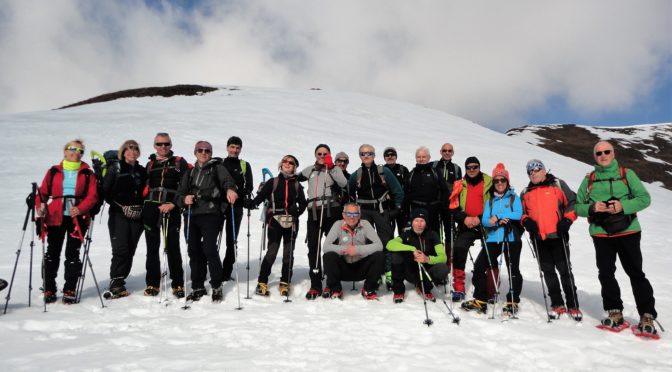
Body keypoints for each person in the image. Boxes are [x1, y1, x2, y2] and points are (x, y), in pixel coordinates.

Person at [575, 141, 658, 336]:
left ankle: (647, 315)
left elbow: (644, 198)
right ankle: (615, 313)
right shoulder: (589, 179)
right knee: (605, 273)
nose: (603, 155)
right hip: (600, 233)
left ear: (613, 153)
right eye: (598, 153)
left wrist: (623, 206)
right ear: (594, 156)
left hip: (628, 230)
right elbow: (578, 206)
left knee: (635, 273)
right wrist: (592, 208)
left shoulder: (626, 174)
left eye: (606, 152)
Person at [36, 139, 98, 304]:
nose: (75, 152)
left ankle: (70, 288)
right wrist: (40, 205)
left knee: (73, 254)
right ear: (65, 151)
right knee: (52, 253)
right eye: (72, 149)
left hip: (77, 218)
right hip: (55, 216)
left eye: (80, 150)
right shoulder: (54, 171)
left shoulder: (87, 173)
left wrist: (81, 208)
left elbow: (92, 196)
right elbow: (42, 192)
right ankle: (49, 287)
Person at [521, 159, 581, 320]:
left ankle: (573, 305)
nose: (533, 173)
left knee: (564, 270)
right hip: (539, 238)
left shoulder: (557, 185)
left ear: (544, 170)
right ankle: (557, 303)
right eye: (529, 171)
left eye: (536, 169)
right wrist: (526, 220)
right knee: (548, 271)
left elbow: (573, 203)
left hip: (558, 235)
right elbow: (521, 212)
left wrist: (567, 220)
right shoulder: (526, 192)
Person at [177, 141, 238, 302]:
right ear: (195, 152)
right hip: (191, 214)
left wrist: (231, 189)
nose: (204, 153)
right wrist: (184, 199)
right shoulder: (189, 173)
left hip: (211, 214)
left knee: (209, 249)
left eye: (207, 151)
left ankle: (216, 285)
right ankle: (197, 285)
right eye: (200, 150)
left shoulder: (217, 167)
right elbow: (179, 195)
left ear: (211, 153)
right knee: (193, 250)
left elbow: (227, 181)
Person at [461, 164, 523, 315]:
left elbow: (518, 214)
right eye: (496, 181)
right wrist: (494, 221)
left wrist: (502, 217)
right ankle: (480, 300)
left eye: (502, 180)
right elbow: (485, 221)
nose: (500, 183)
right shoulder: (490, 200)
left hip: (511, 237)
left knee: (513, 269)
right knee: (479, 266)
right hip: (493, 238)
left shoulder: (514, 197)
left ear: (507, 182)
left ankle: (512, 301)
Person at [244, 155, 307, 297]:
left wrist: (297, 212)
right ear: (281, 164)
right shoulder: (273, 182)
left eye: (291, 163)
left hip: (291, 221)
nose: (287, 164)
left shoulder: (297, 185)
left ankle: (285, 282)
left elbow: (302, 203)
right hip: (274, 221)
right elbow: (260, 197)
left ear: (294, 167)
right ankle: (262, 282)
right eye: (285, 161)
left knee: (288, 253)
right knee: (272, 252)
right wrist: (251, 204)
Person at [348, 144, 404, 289]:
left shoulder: (383, 171)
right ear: (360, 156)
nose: (366, 156)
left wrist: (397, 207)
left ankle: (389, 271)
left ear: (374, 155)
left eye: (369, 153)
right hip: (364, 212)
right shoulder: (357, 174)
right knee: (369, 242)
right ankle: (375, 273)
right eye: (363, 154)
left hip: (381, 210)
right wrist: (353, 209)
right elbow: (350, 192)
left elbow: (397, 190)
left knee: (386, 241)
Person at [298, 144, 348, 299]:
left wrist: (332, 166)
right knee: (313, 246)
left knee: (332, 246)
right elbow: (296, 178)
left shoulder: (334, 169)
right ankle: (315, 284)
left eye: (325, 153)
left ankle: (333, 284)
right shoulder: (310, 169)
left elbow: (343, 183)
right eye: (319, 153)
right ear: (315, 154)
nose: (322, 155)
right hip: (313, 211)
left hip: (331, 210)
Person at [142, 132, 187, 298]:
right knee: (152, 249)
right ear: (155, 145)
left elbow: (185, 186)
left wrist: (174, 204)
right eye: (160, 144)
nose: (163, 147)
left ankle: (177, 284)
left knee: (173, 247)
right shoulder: (150, 164)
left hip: (171, 208)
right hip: (151, 209)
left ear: (171, 145)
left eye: (166, 144)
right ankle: (152, 284)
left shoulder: (179, 163)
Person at [102, 140, 147, 299]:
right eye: (128, 149)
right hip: (118, 214)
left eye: (135, 149)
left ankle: (121, 278)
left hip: (137, 215)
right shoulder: (115, 168)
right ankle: (116, 282)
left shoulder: (142, 170)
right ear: (123, 152)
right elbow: (105, 192)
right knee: (120, 248)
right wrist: (121, 206)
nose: (132, 152)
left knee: (130, 249)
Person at [448, 156, 492, 302]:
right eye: (469, 167)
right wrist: (464, 218)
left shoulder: (489, 183)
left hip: (485, 224)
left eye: (475, 167)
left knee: (491, 251)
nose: (472, 170)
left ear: (479, 167)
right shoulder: (459, 184)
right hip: (466, 224)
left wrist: (480, 217)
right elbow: (453, 206)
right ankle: (459, 287)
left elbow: (495, 203)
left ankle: (490, 285)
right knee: (459, 249)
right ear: (465, 168)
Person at [322, 203, 385, 300]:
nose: (352, 217)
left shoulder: (365, 224)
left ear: (359, 215)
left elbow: (379, 245)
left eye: (355, 214)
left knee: (379, 255)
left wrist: (357, 250)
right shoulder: (338, 225)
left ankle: (368, 289)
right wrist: (345, 249)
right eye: (348, 214)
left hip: (361, 267)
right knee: (328, 256)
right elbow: (326, 247)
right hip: (343, 268)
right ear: (343, 215)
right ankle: (336, 289)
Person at [387, 209, 448, 303]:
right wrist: (412, 249)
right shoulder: (406, 234)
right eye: (416, 220)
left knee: (443, 268)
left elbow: (443, 258)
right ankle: (398, 290)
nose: (419, 224)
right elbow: (390, 245)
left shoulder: (433, 235)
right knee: (396, 256)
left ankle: (425, 289)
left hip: (426, 272)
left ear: (426, 222)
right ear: (412, 222)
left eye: (422, 221)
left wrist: (427, 259)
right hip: (410, 271)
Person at [220, 136, 253, 282]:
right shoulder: (220, 163)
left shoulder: (244, 165)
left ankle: (226, 272)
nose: (234, 150)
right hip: (219, 206)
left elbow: (249, 186)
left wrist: (237, 194)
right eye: (232, 147)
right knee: (212, 239)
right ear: (227, 147)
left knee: (231, 241)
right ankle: (212, 269)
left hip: (236, 207)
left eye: (237, 147)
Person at [404, 146, 449, 235]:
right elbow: (406, 193)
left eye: (424, 157)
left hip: (433, 211)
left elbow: (445, 190)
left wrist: (442, 206)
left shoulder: (435, 172)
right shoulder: (411, 174)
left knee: (434, 235)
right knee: (417, 236)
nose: (421, 159)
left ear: (429, 158)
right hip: (416, 210)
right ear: (416, 158)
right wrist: (405, 212)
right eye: (419, 157)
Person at [433, 143, 462, 264]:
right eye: (444, 150)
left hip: (450, 206)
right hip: (435, 204)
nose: (447, 152)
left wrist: (457, 207)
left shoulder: (456, 168)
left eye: (449, 151)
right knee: (436, 233)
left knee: (450, 233)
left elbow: (459, 188)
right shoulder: (434, 165)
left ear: (453, 153)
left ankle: (449, 261)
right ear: (440, 152)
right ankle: (439, 259)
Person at [383, 147, 410, 235]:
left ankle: (403, 248)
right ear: (384, 158)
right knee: (387, 232)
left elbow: (408, 187)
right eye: (387, 155)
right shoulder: (381, 171)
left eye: (392, 155)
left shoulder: (403, 170)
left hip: (402, 207)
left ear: (396, 157)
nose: (390, 157)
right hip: (387, 207)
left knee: (404, 232)